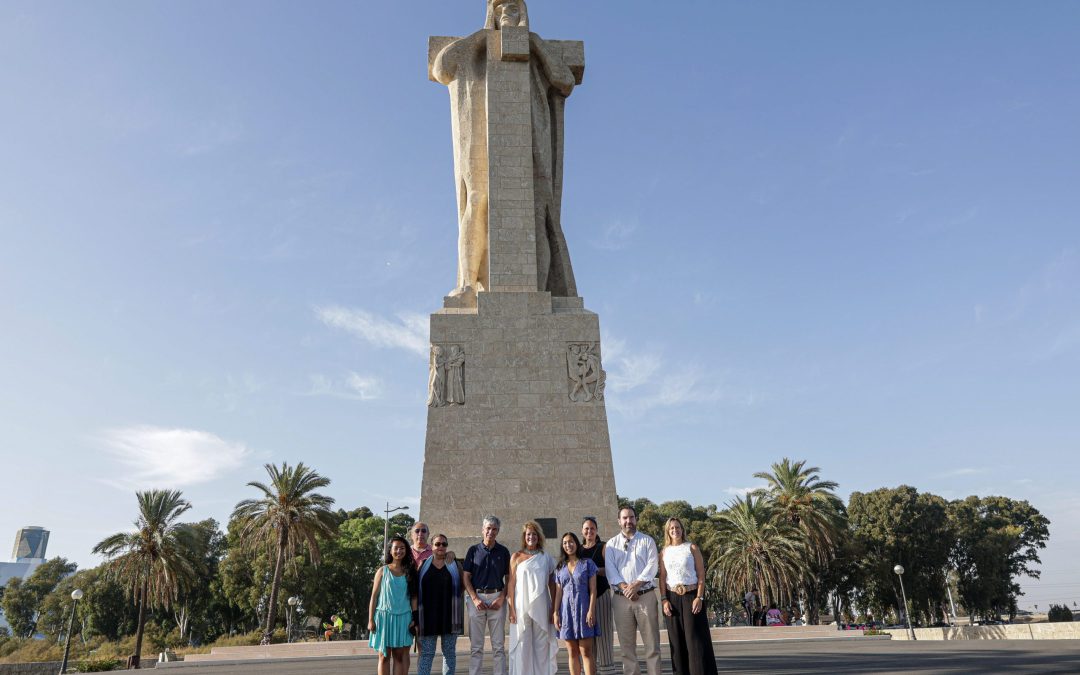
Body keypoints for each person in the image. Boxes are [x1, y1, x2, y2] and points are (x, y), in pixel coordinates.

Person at [431, 0, 579, 299]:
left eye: (513, 8)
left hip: (534, 137)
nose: (506, 13)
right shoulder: (479, 46)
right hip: (481, 136)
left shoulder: (534, 47)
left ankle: (539, 290)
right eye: (499, 9)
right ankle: (468, 284)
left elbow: (564, 79)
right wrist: (482, 38)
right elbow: (442, 67)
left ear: (523, 13)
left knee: (540, 210)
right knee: (477, 199)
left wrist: (535, 44)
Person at [604, 506, 661, 675]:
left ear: (636, 519)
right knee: (626, 648)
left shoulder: (647, 541)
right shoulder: (611, 545)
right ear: (619, 521)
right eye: (625, 518)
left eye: (631, 517)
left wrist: (635, 585)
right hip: (621, 600)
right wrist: (625, 588)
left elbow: (652, 565)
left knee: (652, 646)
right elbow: (610, 570)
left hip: (646, 597)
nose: (628, 521)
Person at [658, 518, 717, 675]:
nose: (675, 530)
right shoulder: (664, 552)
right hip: (672, 598)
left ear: (682, 529)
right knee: (676, 643)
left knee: (695, 642)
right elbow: (662, 578)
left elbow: (701, 574)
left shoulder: (691, 548)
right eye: (671, 528)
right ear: (667, 531)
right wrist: (664, 600)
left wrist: (699, 597)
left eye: (677, 527)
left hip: (692, 597)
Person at [463, 515, 511, 675]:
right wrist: (475, 599)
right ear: (482, 530)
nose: (491, 531)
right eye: (488, 528)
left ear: (498, 531)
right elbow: (466, 577)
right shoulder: (473, 551)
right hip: (476, 599)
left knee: (498, 646)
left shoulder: (503, 552)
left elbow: (509, 578)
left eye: (494, 529)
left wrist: (502, 597)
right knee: (476, 647)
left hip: (497, 598)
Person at [507, 521, 557, 675]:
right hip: (521, 607)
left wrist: (553, 609)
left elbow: (552, 585)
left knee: (542, 645)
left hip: (542, 606)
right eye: (528, 534)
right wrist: (512, 610)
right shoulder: (516, 556)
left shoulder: (546, 557)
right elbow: (511, 585)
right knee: (523, 645)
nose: (531, 537)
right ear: (524, 536)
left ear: (539, 536)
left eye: (534, 534)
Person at [368, 536, 419, 675]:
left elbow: (414, 598)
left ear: (406, 551)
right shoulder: (382, 571)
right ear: (390, 551)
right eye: (396, 548)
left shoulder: (410, 571)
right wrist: (371, 620)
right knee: (384, 656)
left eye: (402, 548)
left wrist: (415, 619)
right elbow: (374, 596)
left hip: (403, 619)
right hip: (383, 618)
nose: (399, 551)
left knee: (399, 657)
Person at [418, 533, 465, 675]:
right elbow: (415, 588)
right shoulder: (423, 564)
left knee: (449, 654)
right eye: (437, 544)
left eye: (444, 544)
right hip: (427, 617)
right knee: (427, 654)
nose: (441, 547)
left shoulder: (455, 564)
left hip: (450, 616)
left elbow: (463, 584)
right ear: (431, 546)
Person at [554, 532, 598, 675]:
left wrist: (591, 610)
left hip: (583, 610)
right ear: (562, 546)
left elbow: (593, 590)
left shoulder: (587, 564)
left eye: (571, 541)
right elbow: (559, 592)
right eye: (565, 542)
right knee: (572, 652)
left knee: (586, 651)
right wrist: (555, 612)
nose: (568, 545)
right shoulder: (560, 567)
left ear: (577, 543)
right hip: (566, 613)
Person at [579, 518, 616, 675]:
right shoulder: (578, 550)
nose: (589, 531)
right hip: (583, 600)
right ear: (582, 531)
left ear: (597, 530)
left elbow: (611, 570)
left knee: (604, 637)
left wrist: (592, 570)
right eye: (586, 529)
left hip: (601, 596)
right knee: (587, 641)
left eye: (592, 528)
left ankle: (607, 671)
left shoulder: (604, 547)